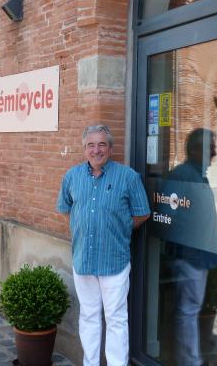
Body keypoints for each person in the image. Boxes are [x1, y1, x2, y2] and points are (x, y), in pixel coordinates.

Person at [57, 124, 150, 366]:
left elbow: (142, 214)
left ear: (110, 148)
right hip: (83, 260)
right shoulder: (72, 176)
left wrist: (119, 230)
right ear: (84, 148)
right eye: (91, 145)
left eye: (101, 144)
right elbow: (67, 209)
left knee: (116, 318)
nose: (96, 150)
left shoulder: (128, 177)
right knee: (88, 316)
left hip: (114, 261)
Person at [164, 128, 217, 366]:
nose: (215, 153)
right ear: (196, 150)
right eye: (210, 148)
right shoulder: (183, 176)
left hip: (196, 256)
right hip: (190, 257)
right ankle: (190, 361)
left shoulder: (195, 175)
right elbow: (169, 214)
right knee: (188, 311)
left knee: (189, 310)